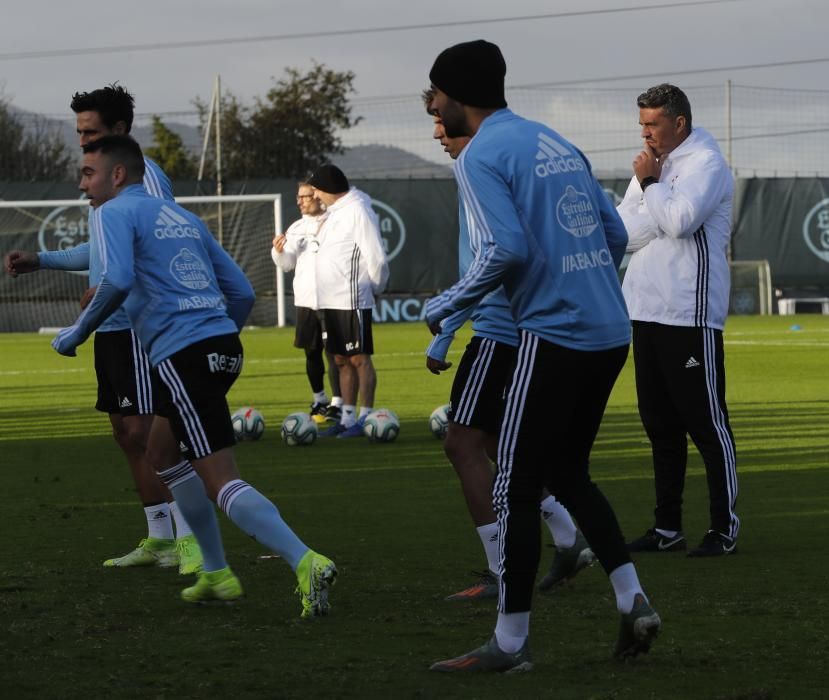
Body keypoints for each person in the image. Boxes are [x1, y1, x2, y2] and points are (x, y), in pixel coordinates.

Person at [423, 40, 660, 672]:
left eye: (436, 95)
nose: (435, 108)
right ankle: (632, 598)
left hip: (552, 334)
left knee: (515, 485)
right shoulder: (553, 140)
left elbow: (504, 252)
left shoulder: (479, 156)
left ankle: (511, 642)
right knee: (569, 473)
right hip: (611, 331)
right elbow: (614, 234)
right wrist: (584, 285)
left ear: (457, 98)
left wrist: (446, 307)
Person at [51, 134, 337, 615]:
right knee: (161, 451)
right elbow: (241, 291)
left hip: (185, 355)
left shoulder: (111, 213)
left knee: (220, 479)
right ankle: (215, 570)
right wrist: (215, 335)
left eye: (87, 173)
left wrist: (77, 332)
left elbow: (117, 280)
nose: (82, 185)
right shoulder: (181, 216)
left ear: (117, 174)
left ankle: (304, 559)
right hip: (220, 346)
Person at [3, 84, 202, 575]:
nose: (82, 141)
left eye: (90, 132)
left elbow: (156, 240)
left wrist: (117, 284)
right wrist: (42, 260)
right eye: (79, 132)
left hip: (136, 322)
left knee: (145, 431)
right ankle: (160, 535)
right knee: (124, 433)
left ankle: (192, 539)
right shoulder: (101, 181)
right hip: (110, 323)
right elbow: (101, 252)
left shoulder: (144, 179)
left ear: (118, 130)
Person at [421, 90, 595, 601]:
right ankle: (568, 537)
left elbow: (489, 261)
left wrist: (448, 325)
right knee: (503, 446)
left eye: (438, 119)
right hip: (531, 330)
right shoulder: (518, 159)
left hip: (499, 331)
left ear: (460, 113)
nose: (436, 133)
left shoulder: (480, 168)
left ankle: (503, 571)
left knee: (462, 444)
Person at [617, 84, 739, 557]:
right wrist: (656, 201)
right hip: (645, 311)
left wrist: (651, 188)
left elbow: (680, 222)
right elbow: (626, 233)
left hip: (690, 314)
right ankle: (667, 528)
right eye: (642, 124)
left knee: (707, 424)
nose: (645, 133)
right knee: (660, 426)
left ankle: (723, 528)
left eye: (653, 124)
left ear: (679, 124)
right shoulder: (654, 162)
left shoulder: (706, 163)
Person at [307, 164, 389, 439]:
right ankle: (347, 418)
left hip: (352, 298)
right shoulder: (334, 214)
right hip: (329, 300)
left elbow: (375, 255)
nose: (315, 195)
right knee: (340, 358)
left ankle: (366, 418)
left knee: (359, 359)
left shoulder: (358, 210)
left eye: (316, 189)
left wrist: (376, 288)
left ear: (328, 188)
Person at [272, 182, 343, 424]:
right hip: (305, 300)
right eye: (298, 197)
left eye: (305, 197)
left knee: (335, 353)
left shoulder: (336, 221)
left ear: (319, 197)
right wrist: (279, 252)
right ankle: (319, 398)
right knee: (311, 352)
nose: (300, 201)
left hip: (334, 299)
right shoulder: (296, 228)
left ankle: (338, 403)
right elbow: (287, 264)